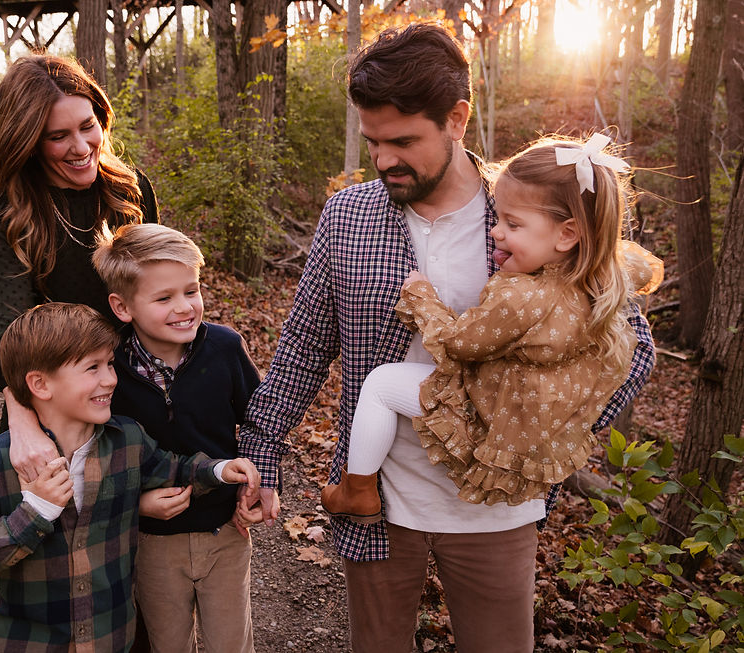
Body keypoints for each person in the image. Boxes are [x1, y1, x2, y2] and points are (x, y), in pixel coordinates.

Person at [236, 21, 656, 652]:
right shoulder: (348, 217)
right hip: (378, 500)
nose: (382, 160)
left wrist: (546, 428)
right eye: (372, 141)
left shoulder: (526, 215)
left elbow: (633, 347)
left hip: (494, 507)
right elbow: (304, 344)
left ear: (457, 120)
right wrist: (262, 446)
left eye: (402, 141)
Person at [321, 134, 664, 522]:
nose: (496, 232)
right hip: (524, 424)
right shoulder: (599, 282)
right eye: (498, 218)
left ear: (567, 234)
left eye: (513, 224)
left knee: (381, 385)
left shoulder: (523, 298)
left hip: (486, 411)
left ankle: (358, 489)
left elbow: (458, 343)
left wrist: (421, 298)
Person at [0, 302, 261, 653]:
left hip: (111, 641)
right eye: (92, 368)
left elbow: (176, 468)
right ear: (40, 384)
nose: (111, 378)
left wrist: (220, 469)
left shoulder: (126, 440)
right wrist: (32, 513)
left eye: (110, 363)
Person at [0, 54, 159, 482]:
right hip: (59, 401)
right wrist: (22, 424)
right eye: (58, 136)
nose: (81, 148)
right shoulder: (15, 216)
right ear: (28, 141)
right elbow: (12, 333)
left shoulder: (129, 190)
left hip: (138, 386)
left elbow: (160, 290)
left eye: (87, 126)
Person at [92, 223, 261, 653]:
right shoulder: (110, 371)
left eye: (192, 290)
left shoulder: (224, 348)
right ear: (122, 306)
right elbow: (97, 455)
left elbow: (261, 422)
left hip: (225, 532)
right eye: (164, 298)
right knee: (167, 643)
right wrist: (135, 503)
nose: (184, 307)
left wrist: (264, 483)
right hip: (150, 541)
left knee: (231, 643)